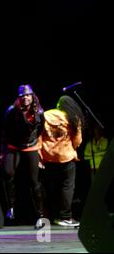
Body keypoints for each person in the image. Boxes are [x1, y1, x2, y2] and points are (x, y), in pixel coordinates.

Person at [0, 85, 45, 228]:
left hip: (30, 145)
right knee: (8, 173)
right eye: (22, 96)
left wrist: (39, 150)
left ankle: (40, 216)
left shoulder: (39, 112)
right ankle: (11, 207)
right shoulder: (12, 111)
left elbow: (40, 131)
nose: (25, 98)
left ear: (32, 96)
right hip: (13, 146)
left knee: (34, 181)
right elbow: (5, 132)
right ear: (19, 98)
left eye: (28, 95)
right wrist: (2, 153)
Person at [38, 95, 85, 227]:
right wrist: (72, 148)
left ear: (58, 105)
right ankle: (65, 216)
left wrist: (41, 154)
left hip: (48, 157)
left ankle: (48, 216)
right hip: (67, 157)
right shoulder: (73, 117)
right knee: (67, 187)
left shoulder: (45, 115)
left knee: (49, 188)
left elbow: (38, 136)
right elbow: (78, 140)